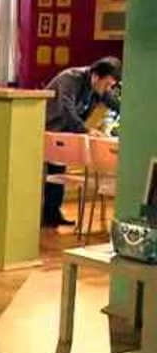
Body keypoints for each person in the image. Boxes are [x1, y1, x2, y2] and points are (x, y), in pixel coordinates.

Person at [42, 56, 121, 227]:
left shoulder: (98, 86)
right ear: (96, 76)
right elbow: (66, 109)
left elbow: (115, 103)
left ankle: (51, 215)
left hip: (62, 133)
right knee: (45, 176)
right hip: (45, 129)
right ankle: (40, 215)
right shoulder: (70, 79)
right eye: (107, 84)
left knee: (57, 172)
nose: (108, 89)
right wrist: (86, 130)